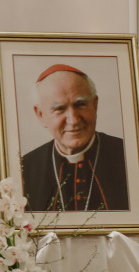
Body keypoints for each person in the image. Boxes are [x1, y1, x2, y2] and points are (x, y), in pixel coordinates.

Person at [21, 64, 129, 212]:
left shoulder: (128, 157)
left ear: (95, 105)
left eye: (81, 104)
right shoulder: (25, 169)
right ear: (41, 115)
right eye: (59, 109)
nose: (73, 120)